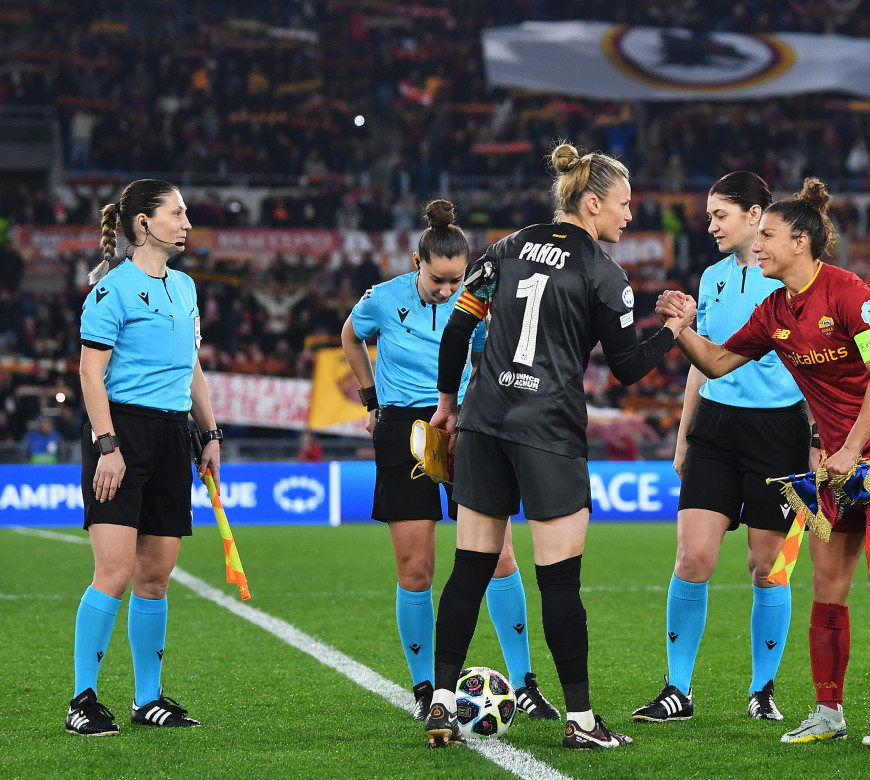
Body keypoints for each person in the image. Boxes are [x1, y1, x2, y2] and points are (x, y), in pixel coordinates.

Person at [423, 142, 696, 749]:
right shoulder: (604, 274)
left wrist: (448, 404)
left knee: (469, 568)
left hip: (486, 423)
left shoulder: (508, 247)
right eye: (623, 204)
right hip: (548, 432)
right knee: (559, 582)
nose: (630, 215)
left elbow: (460, 326)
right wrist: (674, 330)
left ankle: (440, 702)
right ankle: (580, 721)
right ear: (592, 203)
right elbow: (626, 369)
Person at [669, 177, 870, 748]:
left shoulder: (851, 293)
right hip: (835, 463)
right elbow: (714, 363)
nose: (756, 245)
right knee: (826, 585)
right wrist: (682, 329)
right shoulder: (773, 308)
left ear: (801, 241)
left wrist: (851, 449)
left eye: (766, 235)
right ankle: (828, 712)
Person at [340, 199, 560, 725]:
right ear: (418, 262)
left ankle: (524, 682)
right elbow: (350, 335)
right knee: (416, 569)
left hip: (466, 428)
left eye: (456, 279)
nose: (447, 289)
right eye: (439, 280)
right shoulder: (382, 299)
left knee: (501, 556)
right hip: (403, 432)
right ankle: (423, 688)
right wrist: (370, 400)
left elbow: (489, 355)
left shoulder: (475, 298)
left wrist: (477, 407)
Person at [632, 172, 814, 726]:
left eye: (720, 215)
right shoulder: (711, 278)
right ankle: (677, 690)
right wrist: (686, 436)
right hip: (715, 430)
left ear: (755, 215)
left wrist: (813, 444)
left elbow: (815, 370)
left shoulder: (788, 279)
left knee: (769, 569)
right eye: (710, 215)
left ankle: (762, 690)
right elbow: (701, 361)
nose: (709, 225)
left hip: (780, 435)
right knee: (693, 559)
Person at [66, 179, 221, 736]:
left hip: (173, 433)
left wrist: (210, 433)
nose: (185, 221)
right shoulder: (111, 291)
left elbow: (192, 368)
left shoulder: (184, 287)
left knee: (155, 577)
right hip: (121, 432)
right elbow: (90, 373)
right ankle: (82, 699)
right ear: (143, 225)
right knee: (112, 572)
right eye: (176, 212)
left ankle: (147, 699)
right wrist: (107, 446)